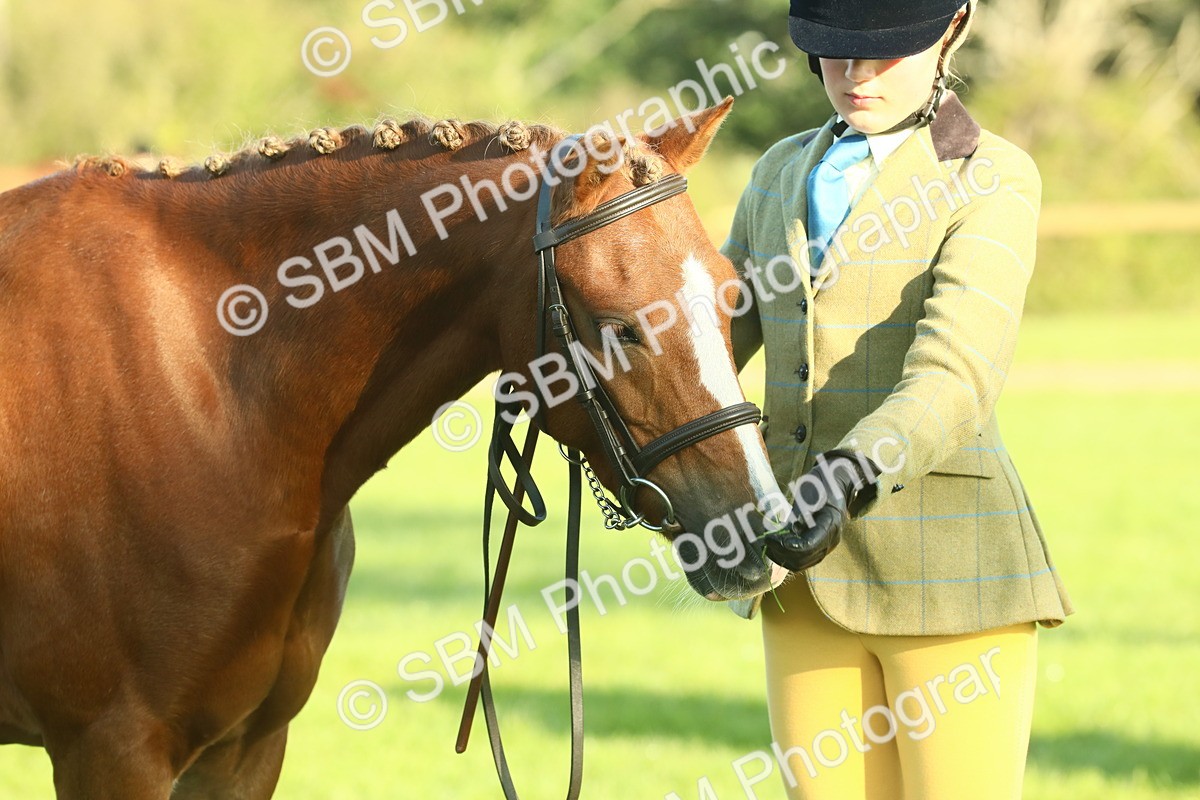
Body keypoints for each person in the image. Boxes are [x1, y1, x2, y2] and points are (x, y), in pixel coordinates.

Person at [721, 1, 1075, 798]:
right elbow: (711, 337)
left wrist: (846, 475)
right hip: (797, 575)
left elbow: (957, 374)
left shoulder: (992, 173)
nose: (858, 74)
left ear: (951, 27)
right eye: (838, 54)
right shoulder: (778, 169)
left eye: (885, 52)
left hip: (950, 570)